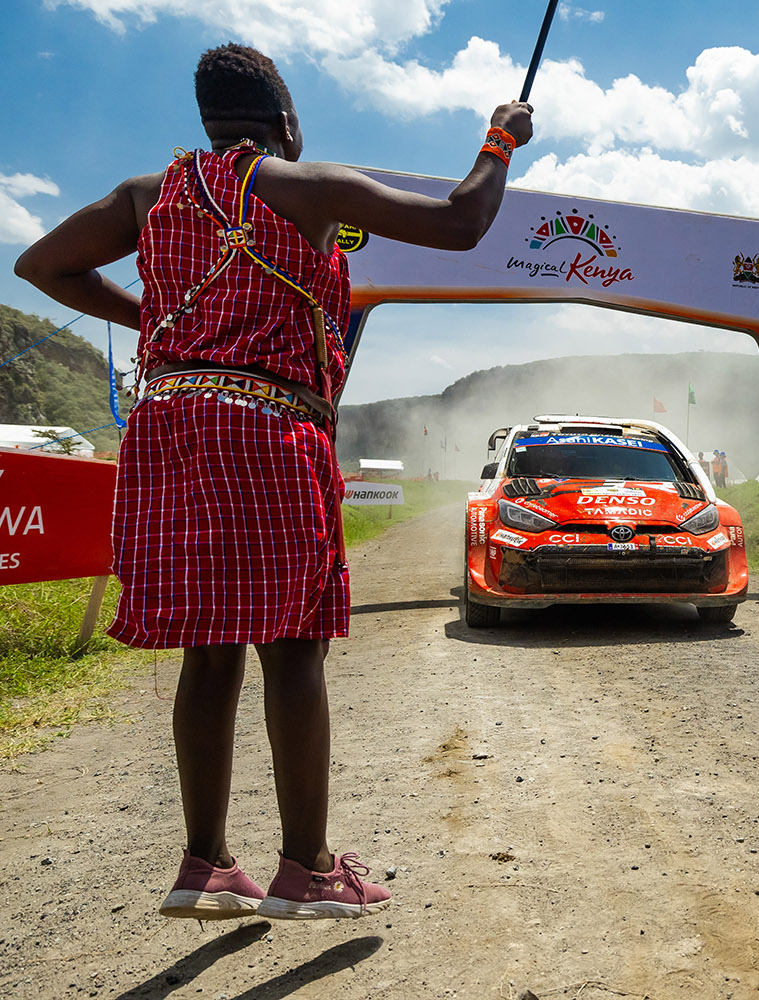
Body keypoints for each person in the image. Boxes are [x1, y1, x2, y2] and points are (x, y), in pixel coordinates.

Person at [14, 44, 533, 920]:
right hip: (264, 422)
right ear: (285, 124)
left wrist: (157, 320)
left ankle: (205, 865)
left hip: (168, 428)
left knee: (209, 645)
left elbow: (41, 267)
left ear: (208, 123)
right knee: (292, 643)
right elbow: (461, 222)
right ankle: (308, 868)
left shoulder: (149, 196)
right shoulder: (304, 185)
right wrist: (501, 137)